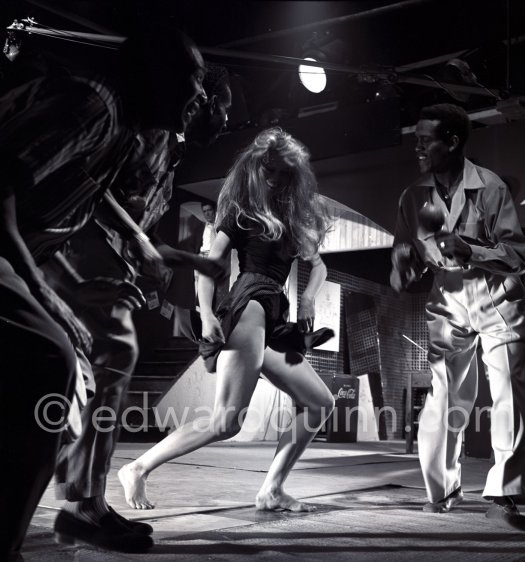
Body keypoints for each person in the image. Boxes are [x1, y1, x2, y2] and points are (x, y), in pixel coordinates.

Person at [0, 25, 216, 560]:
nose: (201, 96)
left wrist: (144, 242)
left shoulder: (125, 123)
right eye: (195, 79)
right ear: (158, 76)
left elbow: (92, 192)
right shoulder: (95, 105)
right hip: (39, 254)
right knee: (56, 361)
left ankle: (81, 504)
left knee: (82, 365)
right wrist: (46, 296)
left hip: (44, 251)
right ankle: (75, 508)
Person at [42, 65, 232, 552]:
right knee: (112, 354)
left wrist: (170, 259)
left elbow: (136, 214)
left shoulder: (171, 148)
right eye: (222, 105)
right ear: (200, 99)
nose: (226, 119)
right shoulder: (144, 129)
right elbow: (90, 183)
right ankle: (81, 506)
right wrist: (137, 239)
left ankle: (87, 502)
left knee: (102, 368)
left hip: (107, 256)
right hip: (77, 247)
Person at [118, 127, 336, 512]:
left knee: (319, 402)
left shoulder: (293, 215)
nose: (272, 178)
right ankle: (137, 468)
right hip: (249, 306)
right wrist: (204, 314)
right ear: (254, 168)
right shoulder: (240, 211)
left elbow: (318, 267)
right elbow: (209, 267)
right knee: (226, 422)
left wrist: (307, 296)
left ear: (293, 173)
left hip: (273, 314)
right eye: (266, 169)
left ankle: (271, 490)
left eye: (281, 171)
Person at [390, 103, 525, 531]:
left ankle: (505, 496)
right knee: (444, 395)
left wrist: (471, 250)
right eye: (414, 141)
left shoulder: (490, 189)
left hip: (497, 300)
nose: (417, 149)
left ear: (452, 142)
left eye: (425, 141)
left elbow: (519, 256)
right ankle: (444, 489)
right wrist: (403, 266)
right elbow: (404, 260)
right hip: (447, 300)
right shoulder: (413, 197)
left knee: (507, 391)